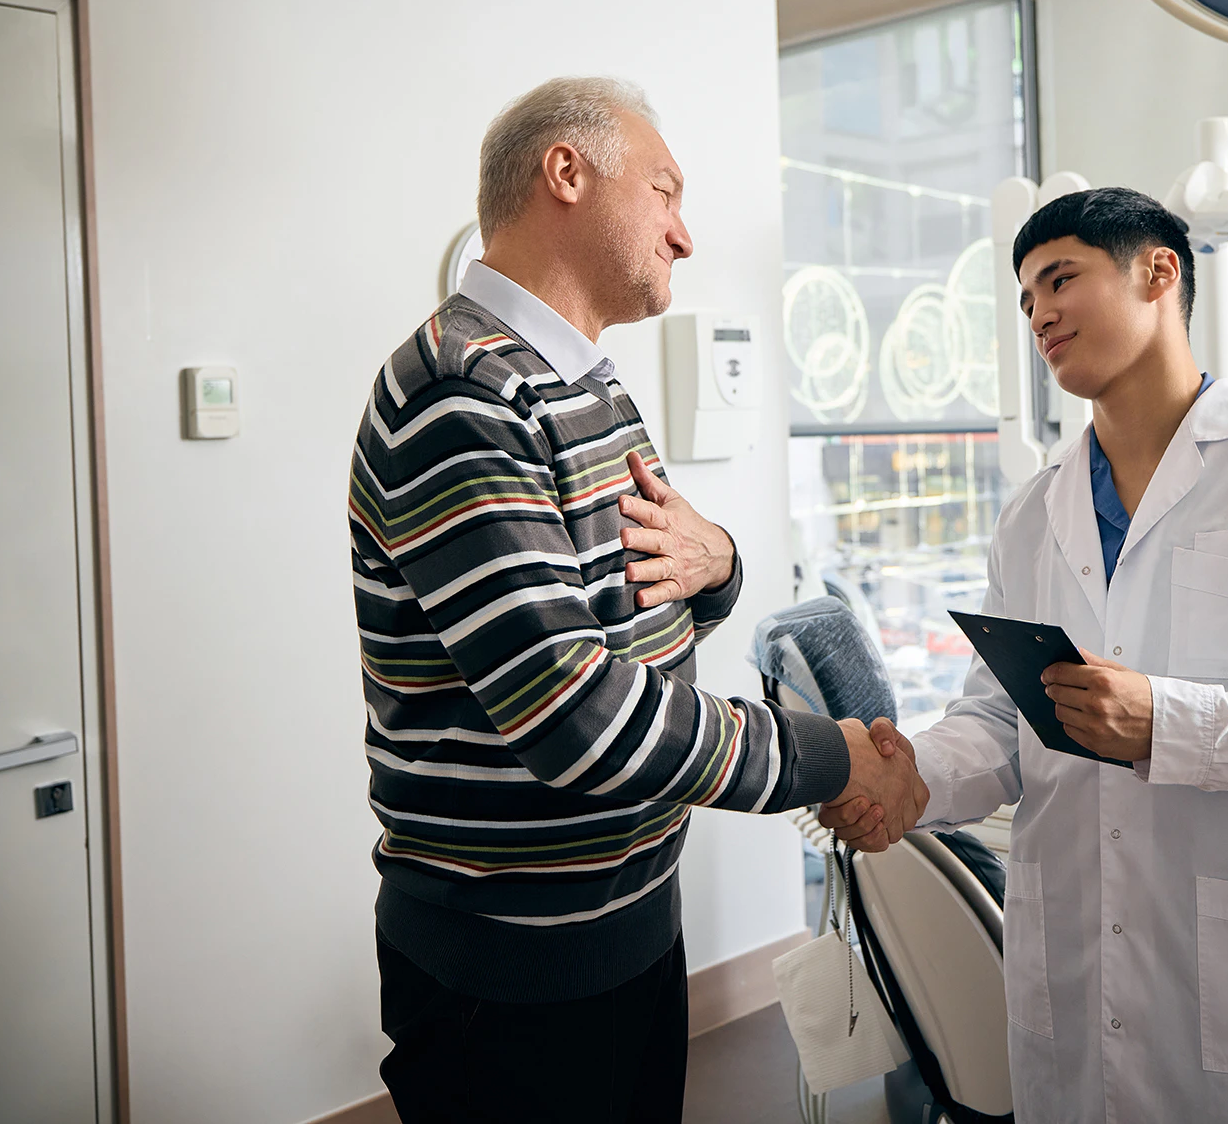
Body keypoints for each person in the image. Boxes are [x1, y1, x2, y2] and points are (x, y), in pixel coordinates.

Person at [350, 76, 925, 1122]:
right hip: (510, 974)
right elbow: (583, 719)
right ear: (563, 173)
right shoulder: (461, 396)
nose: (687, 234)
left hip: (626, 929)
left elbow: (649, 598)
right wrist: (834, 754)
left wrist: (723, 563)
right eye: (664, 191)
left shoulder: (586, 384)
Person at [827, 187, 1228, 1122]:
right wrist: (918, 781)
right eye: (1027, 298)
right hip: (1070, 975)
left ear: (1159, 271)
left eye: (1059, 278)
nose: (1039, 315)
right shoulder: (1034, 515)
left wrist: (1171, 720)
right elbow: (999, 722)